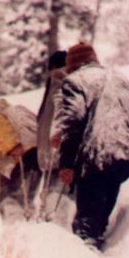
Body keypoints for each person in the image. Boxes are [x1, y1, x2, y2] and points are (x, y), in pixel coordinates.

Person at [51, 42, 129, 249]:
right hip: (125, 156)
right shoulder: (120, 78)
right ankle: (95, 255)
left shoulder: (74, 82)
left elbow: (73, 126)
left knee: (86, 225)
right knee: (98, 219)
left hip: (95, 157)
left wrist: (66, 164)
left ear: (72, 65)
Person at [0, 89, 42, 222]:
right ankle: (32, 230)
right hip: (38, 155)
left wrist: (13, 147)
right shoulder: (15, 109)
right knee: (27, 200)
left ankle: (15, 234)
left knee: (10, 201)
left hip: (18, 157)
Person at [35, 50, 73, 225]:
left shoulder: (60, 79)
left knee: (55, 204)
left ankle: (59, 238)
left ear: (52, 67)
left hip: (57, 155)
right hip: (56, 155)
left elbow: (58, 115)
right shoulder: (57, 82)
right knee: (53, 201)